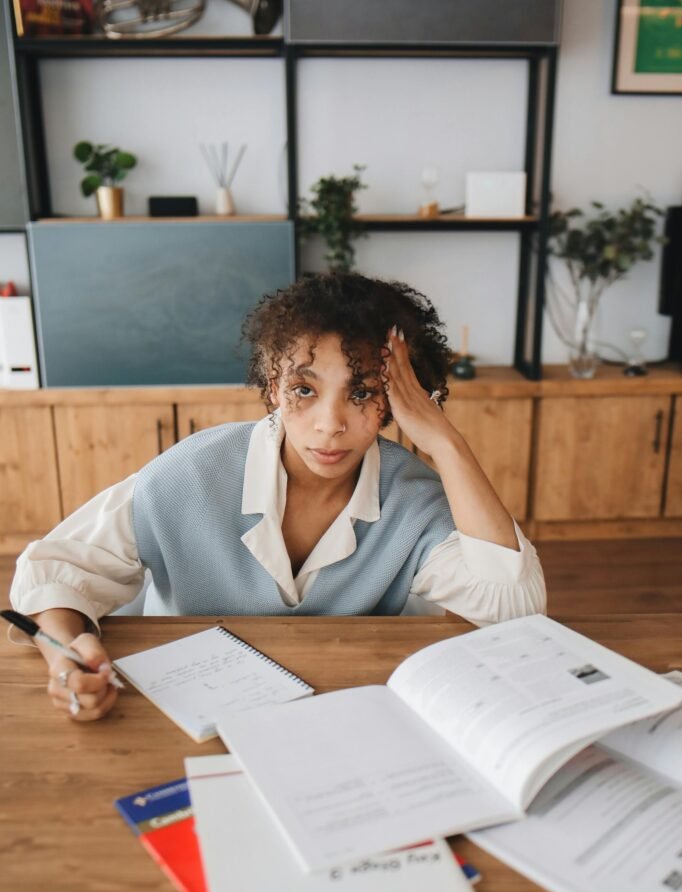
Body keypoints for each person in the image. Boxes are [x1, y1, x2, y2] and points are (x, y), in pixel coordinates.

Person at [10, 272, 546, 722]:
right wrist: (64, 656)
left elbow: (515, 610)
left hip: (339, 715)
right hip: (181, 711)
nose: (329, 425)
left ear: (401, 402)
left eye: (362, 393)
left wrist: (446, 442)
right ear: (273, 387)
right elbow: (54, 570)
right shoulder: (190, 473)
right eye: (304, 390)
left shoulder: (415, 499)